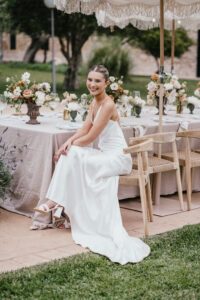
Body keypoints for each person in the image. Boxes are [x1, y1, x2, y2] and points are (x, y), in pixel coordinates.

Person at [35, 65, 150, 264]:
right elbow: (84, 129)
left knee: (74, 154)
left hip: (117, 157)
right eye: (90, 79)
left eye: (97, 81)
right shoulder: (94, 103)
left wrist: (68, 147)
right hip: (103, 155)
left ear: (106, 83)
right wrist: (66, 143)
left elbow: (91, 137)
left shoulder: (107, 105)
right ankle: (56, 201)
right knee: (72, 155)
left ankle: (55, 200)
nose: (92, 84)